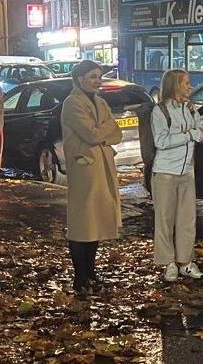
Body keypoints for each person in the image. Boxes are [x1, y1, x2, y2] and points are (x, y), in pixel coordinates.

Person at [61, 60, 124, 299]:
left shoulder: (99, 102)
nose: (97, 81)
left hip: (102, 166)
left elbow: (115, 132)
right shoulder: (72, 103)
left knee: (95, 222)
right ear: (79, 79)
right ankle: (80, 275)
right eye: (92, 76)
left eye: (99, 76)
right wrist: (103, 130)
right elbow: (91, 133)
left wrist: (103, 132)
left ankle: (91, 271)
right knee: (82, 223)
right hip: (84, 169)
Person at [151, 69, 203, 282]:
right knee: (165, 220)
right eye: (186, 83)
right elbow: (161, 141)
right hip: (165, 173)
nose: (189, 87)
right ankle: (168, 263)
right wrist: (190, 135)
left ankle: (185, 261)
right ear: (174, 85)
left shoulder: (190, 108)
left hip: (187, 171)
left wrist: (198, 133)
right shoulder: (160, 111)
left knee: (187, 220)